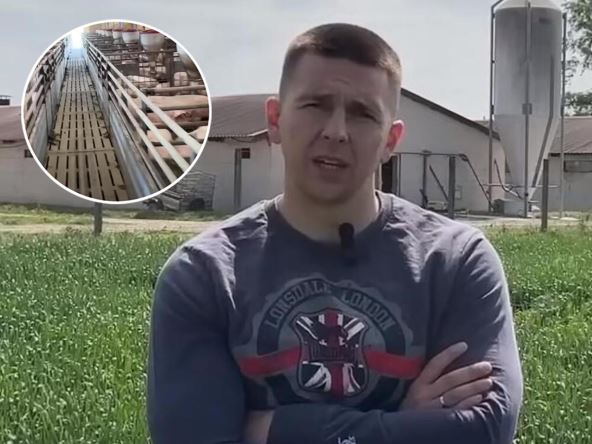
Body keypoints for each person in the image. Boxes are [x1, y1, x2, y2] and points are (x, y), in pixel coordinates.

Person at [147, 23, 523, 444]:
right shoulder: (205, 275)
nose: (336, 131)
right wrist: (403, 423)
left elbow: (486, 429)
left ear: (391, 140)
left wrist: (275, 430)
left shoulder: (456, 261)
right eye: (315, 105)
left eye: (363, 113)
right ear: (275, 120)